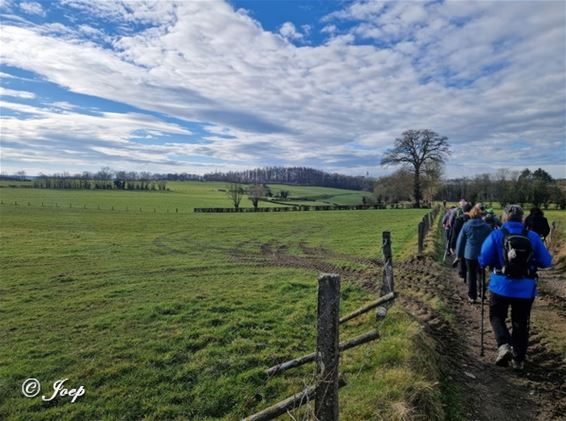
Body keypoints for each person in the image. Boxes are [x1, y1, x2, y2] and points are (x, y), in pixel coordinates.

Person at [479, 205, 552, 370]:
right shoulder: (532, 236)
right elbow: (547, 262)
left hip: (500, 285)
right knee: (520, 322)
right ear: (522, 218)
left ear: (504, 218)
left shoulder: (497, 234)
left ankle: (504, 345)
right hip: (525, 288)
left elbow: (483, 259)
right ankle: (519, 359)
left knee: (497, 316)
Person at [456, 203, 492, 303]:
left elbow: (461, 241)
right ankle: (482, 293)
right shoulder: (487, 227)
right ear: (481, 215)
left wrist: (458, 255)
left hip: (469, 255)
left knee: (471, 275)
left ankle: (472, 296)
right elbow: (491, 241)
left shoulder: (466, 226)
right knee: (482, 274)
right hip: (482, 254)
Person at [450, 202, 472, 279]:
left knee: (461, 255)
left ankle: (462, 272)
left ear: (463, 210)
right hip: (470, 241)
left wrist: (452, 245)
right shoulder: (473, 219)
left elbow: (454, 233)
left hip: (460, 241)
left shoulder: (458, 219)